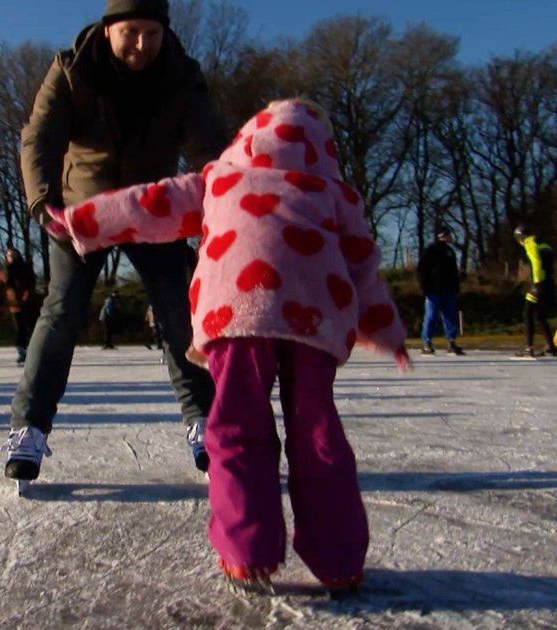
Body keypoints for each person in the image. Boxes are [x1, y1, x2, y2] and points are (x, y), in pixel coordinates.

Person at [50, 98, 410, 595]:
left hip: (236, 308)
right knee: (316, 429)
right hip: (316, 315)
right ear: (321, 147)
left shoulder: (219, 176)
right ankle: (338, 559)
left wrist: (81, 220)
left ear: (250, 137)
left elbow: (148, 204)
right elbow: (364, 269)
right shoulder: (336, 192)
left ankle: (247, 552)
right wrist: (387, 331)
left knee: (238, 424)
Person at [4, 0, 227, 482]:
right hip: (82, 208)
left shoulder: (182, 77)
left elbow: (210, 144)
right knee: (63, 310)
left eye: (153, 33)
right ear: (108, 29)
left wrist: (228, 194)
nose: (142, 44)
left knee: (178, 311)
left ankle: (204, 422)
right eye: (131, 32)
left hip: (154, 208)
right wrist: (44, 203)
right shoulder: (70, 68)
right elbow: (39, 138)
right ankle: (29, 430)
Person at [0, 247, 39, 365]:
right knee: (20, 328)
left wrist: (27, 295)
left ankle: (33, 350)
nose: (11, 257)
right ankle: (22, 351)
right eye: (9, 255)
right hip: (14, 303)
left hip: (28, 303)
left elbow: (31, 284)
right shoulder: (4, 271)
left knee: (30, 327)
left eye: (13, 255)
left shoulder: (25, 268)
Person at [416, 225, 464, 355]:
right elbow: (422, 270)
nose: (450, 237)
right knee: (431, 317)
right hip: (433, 291)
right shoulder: (430, 250)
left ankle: (451, 342)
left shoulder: (450, 251)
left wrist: (456, 286)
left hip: (449, 290)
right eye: (448, 234)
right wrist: (425, 287)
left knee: (450, 317)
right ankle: (427, 342)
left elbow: (453, 272)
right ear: (442, 235)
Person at [513, 225, 557, 357]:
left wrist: (536, 282)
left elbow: (536, 261)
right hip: (549, 282)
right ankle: (551, 346)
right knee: (540, 315)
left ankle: (529, 348)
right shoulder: (544, 244)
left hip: (540, 283)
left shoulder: (529, 242)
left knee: (527, 312)